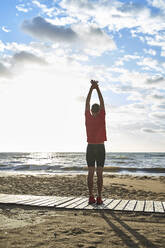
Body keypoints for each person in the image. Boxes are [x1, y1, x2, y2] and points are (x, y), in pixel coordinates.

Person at [85, 80, 107, 205]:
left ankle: (91, 196)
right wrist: (97, 88)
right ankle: (98, 197)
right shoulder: (101, 116)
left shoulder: (88, 116)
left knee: (91, 173)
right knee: (99, 174)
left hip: (91, 147)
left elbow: (87, 102)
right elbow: (102, 101)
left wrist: (91, 88)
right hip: (100, 148)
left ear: (92, 111)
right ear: (99, 110)